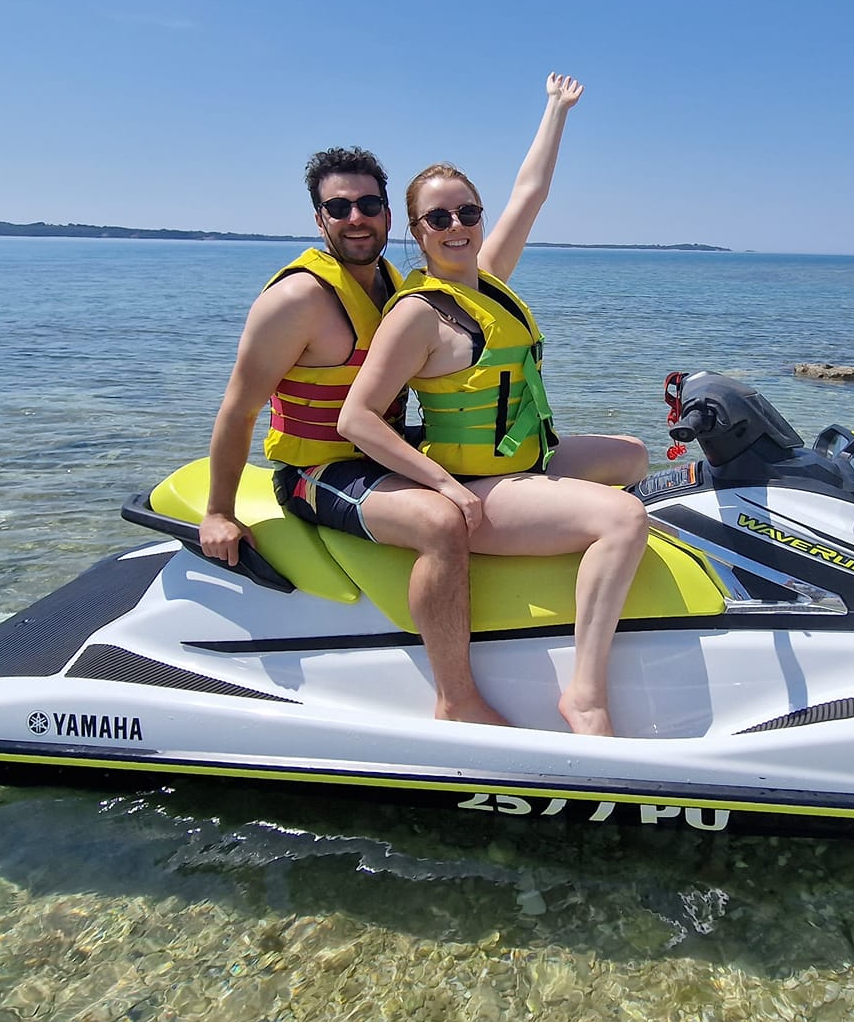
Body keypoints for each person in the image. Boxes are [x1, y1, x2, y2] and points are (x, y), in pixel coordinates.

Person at [340, 75, 649, 737]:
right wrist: (447, 488)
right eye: (439, 219)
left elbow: (530, 192)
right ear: (417, 232)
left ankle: (585, 542)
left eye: (468, 214)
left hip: (524, 460)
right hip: (480, 486)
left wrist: (556, 109)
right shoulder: (419, 314)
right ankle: (585, 695)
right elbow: (355, 418)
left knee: (634, 456)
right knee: (624, 518)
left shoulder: (488, 282)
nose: (457, 227)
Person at [200, 145, 507, 726]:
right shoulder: (296, 301)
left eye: (368, 204)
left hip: (385, 453)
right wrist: (218, 512)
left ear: (390, 215)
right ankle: (456, 700)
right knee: (440, 524)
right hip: (316, 471)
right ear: (320, 220)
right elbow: (238, 410)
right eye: (338, 208)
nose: (356, 218)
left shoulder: (399, 285)